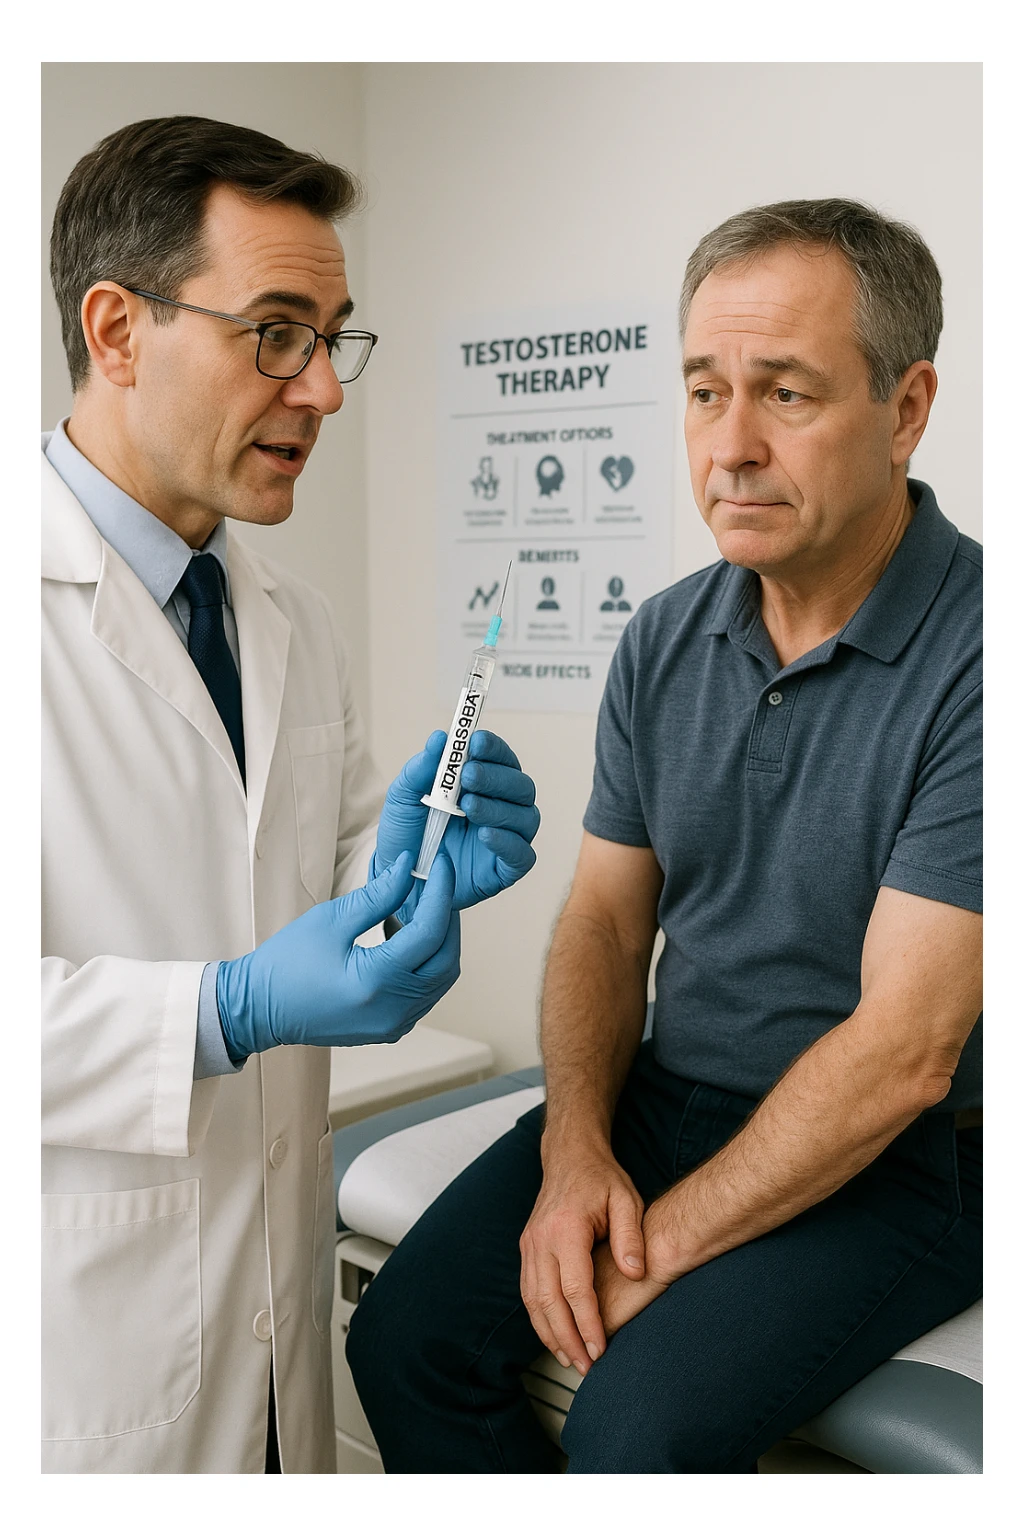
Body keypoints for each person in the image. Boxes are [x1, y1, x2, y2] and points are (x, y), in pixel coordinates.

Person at [346, 198, 982, 1473]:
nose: (729, 447)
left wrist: (662, 1252)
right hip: (663, 1097)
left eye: (786, 394)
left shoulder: (986, 657)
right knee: (401, 1340)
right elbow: (601, 918)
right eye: (703, 392)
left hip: (898, 1156)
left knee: (640, 1424)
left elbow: (903, 1057)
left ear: (905, 408)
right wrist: (577, 1148)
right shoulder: (665, 634)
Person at [41, 115, 541, 1475]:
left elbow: (312, 887)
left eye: (333, 338)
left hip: (271, 1334)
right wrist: (229, 1009)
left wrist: (419, 870)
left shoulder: (287, 617)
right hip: (78, 1369)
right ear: (117, 328)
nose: (323, 390)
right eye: (275, 332)